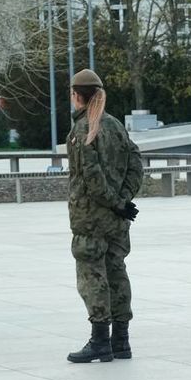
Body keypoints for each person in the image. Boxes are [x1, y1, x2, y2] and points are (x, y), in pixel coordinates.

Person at [65, 69, 144, 364]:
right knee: (116, 272)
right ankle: (121, 341)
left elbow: (90, 177)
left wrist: (114, 202)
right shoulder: (115, 126)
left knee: (92, 276)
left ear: (77, 96)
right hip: (116, 218)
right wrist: (124, 200)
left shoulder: (82, 130)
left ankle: (100, 341)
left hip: (90, 218)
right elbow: (136, 163)